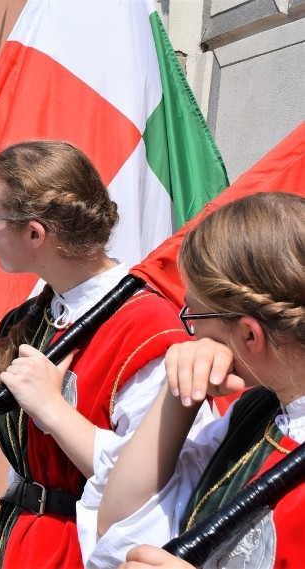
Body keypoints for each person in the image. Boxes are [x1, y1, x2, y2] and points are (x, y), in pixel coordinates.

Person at [0, 141, 212, 568]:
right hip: (19, 541)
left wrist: (53, 409)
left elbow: (156, 486)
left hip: (83, 550)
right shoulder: (28, 318)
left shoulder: (147, 330)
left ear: (34, 233)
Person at [92, 192, 305, 568]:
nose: (187, 330)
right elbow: (121, 524)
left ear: (249, 336)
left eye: (194, 316)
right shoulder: (257, 414)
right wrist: (179, 395)